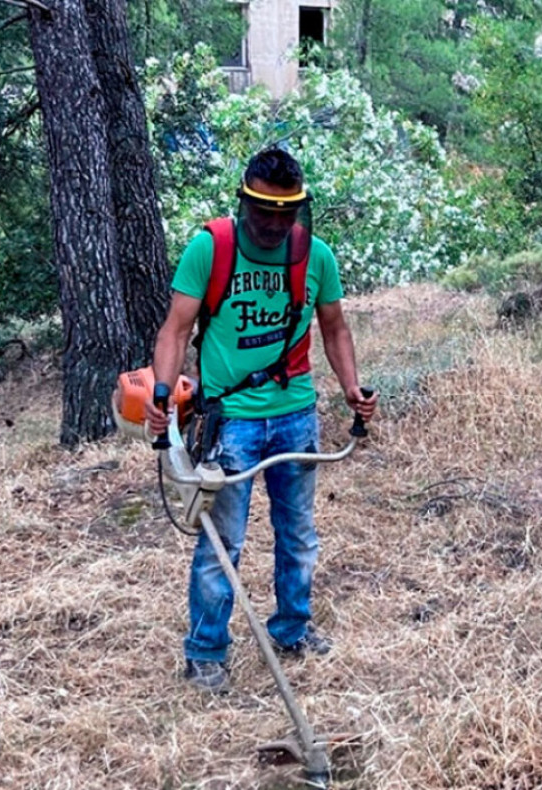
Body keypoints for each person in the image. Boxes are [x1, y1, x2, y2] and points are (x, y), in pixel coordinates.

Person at [145, 148, 376, 693]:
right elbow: (175, 330)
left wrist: (350, 388)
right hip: (233, 423)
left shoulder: (316, 256)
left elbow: (336, 328)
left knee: (297, 534)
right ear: (245, 201)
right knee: (222, 543)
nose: (274, 224)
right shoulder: (211, 249)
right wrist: (162, 392)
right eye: (264, 211)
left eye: (286, 213)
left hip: (295, 415)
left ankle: (292, 629)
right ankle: (205, 652)